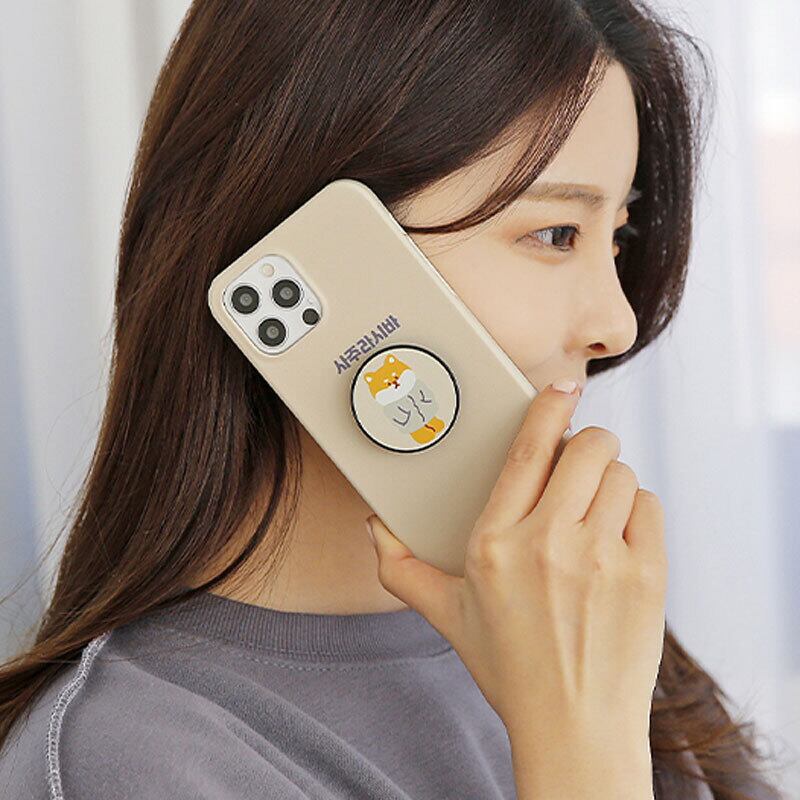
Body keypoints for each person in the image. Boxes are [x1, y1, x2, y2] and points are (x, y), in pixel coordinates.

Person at [0, 1, 786, 798]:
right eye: (556, 234)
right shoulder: (130, 757)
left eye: (617, 236)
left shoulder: (568, 624)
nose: (617, 324)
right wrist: (579, 750)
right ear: (306, 248)